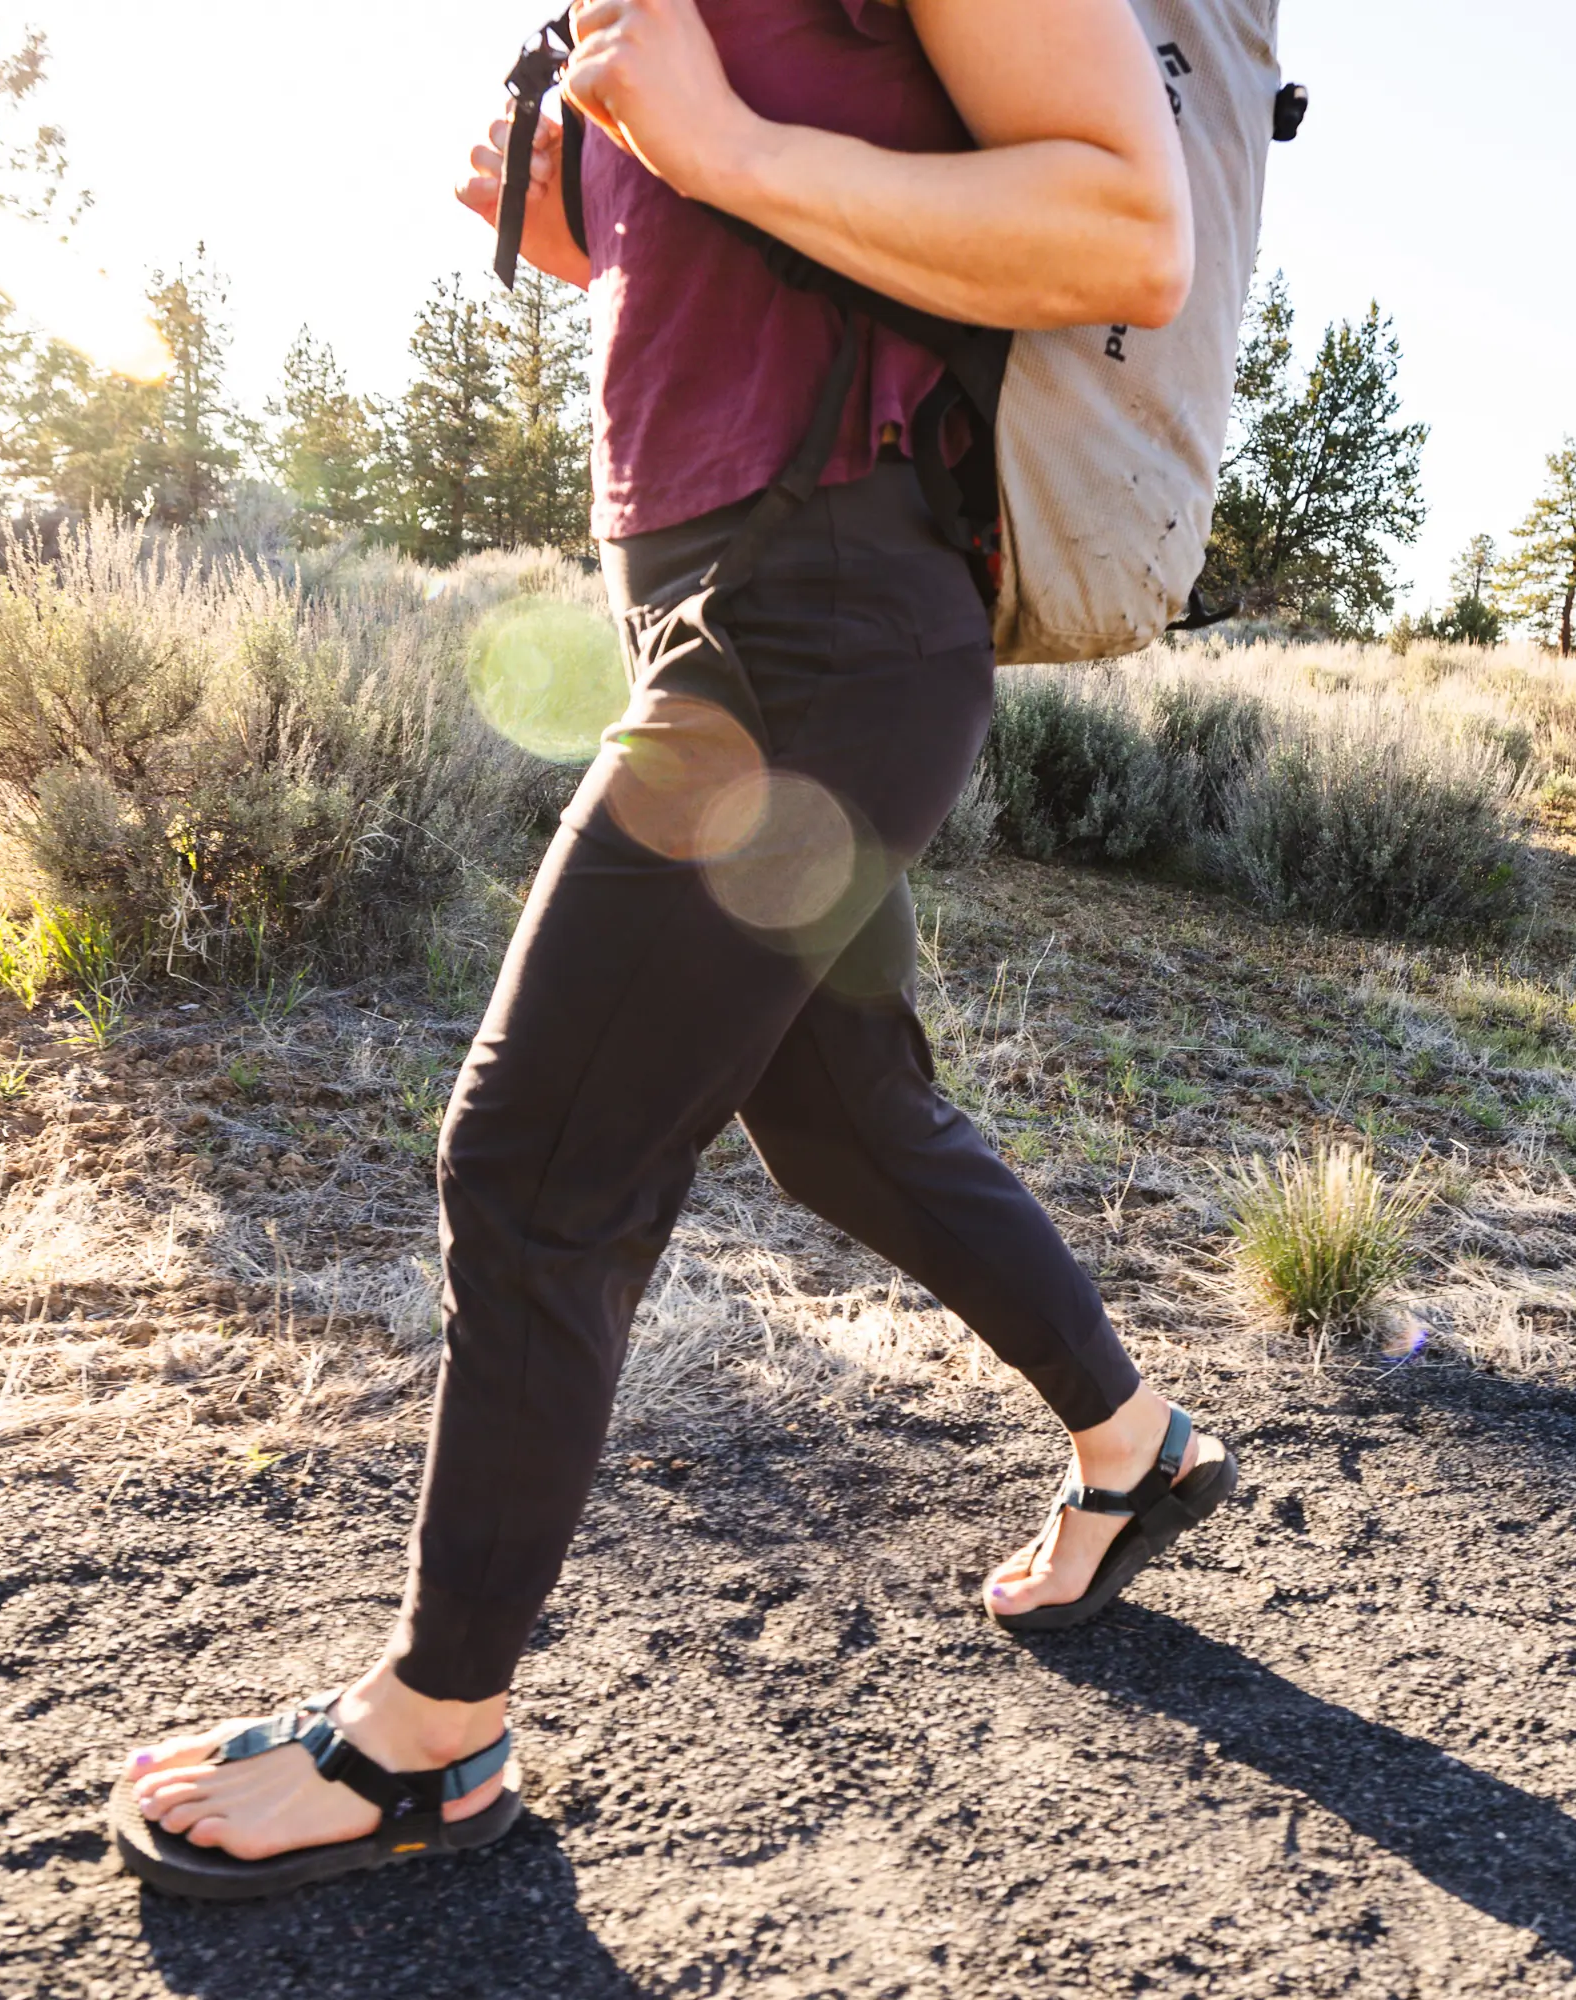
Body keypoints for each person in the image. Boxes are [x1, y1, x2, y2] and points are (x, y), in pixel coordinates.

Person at [115, 0, 1236, 1897]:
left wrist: (706, 146)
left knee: (538, 1157)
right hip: (736, 604)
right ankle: (1137, 1446)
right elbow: (753, 247)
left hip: (822, 616)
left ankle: (431, 1742)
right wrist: (589, 199)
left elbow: (1126, 229)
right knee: (844, 1119)